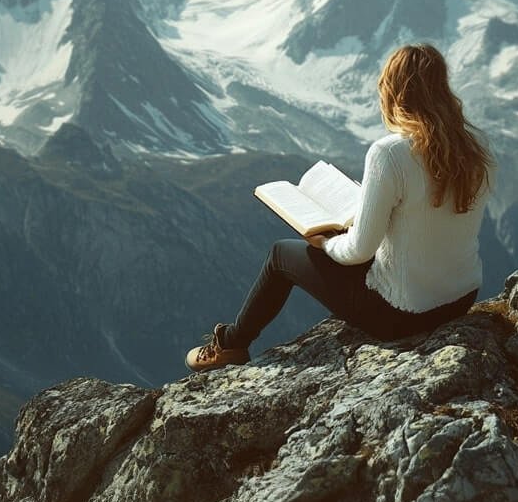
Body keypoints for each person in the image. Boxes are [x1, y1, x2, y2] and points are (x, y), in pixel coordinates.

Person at [186, 43, 495, 371]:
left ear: (392, 94)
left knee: (280, 255)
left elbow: (360, 251)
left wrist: (325, 242)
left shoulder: (389, 153)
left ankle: (231, 345)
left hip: (402, 315)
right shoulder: (478, 146)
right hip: (460, 299)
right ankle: (232, 343)